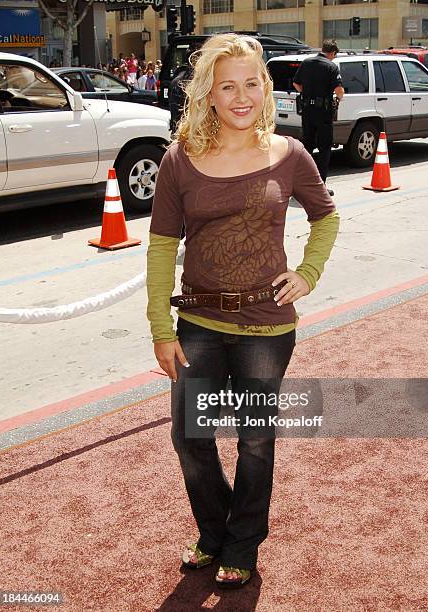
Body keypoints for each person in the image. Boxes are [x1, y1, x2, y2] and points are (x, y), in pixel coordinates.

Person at [146, 33, 339, 589]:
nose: (240, 96)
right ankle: (215, 532)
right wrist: (162, 327)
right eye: (227, 85)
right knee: (190, 435)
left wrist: (307, 274)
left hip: (266, 326)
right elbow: (161, 248)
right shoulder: (179, 159)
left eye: (251, 83)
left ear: (265, 88)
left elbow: (326, 218)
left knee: (256, 436)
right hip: (198, 323)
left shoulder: (289, 154)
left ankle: (243, 543)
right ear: (208, 93)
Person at [293, 39, 344, 196]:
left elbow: (296, 83)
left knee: (307, 146)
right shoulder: (331, 66)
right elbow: (339, 90)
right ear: (332, 53)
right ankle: (320, 186)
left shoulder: (307, 62)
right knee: (324, 148)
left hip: (307, 110)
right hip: (323, 113)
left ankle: (302, 183)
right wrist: (338, 99)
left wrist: (307, 93)